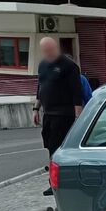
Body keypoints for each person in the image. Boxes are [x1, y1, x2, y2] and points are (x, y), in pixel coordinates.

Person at [34, 37, 83, 196]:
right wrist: (36, 109)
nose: (48, 53)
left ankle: (63, 181)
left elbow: (77, 93)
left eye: (51, 49)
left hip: (64, 116)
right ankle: (53, 182)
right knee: (51, 148)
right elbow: (40, 87)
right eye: (45, 50)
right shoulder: (42, 65)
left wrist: (78, 118)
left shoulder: (69, 66)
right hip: (48, 115)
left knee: (61, 150)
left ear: (56, 48)